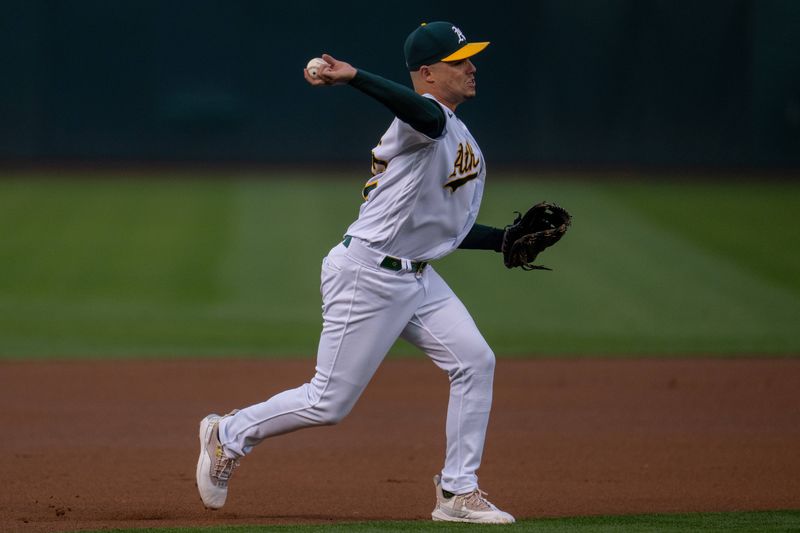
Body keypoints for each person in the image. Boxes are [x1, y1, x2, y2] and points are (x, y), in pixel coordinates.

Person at [197, 21, 516, 524]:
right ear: (428, 74)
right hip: (369, 274)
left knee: (475, 362)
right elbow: (416, 111)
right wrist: (354, 76)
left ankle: (457, 492)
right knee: (328, 403)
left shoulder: (454, 128)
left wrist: (501, 240)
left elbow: (436, 225)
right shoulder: (425, 119)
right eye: (460, 61)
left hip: (416, 275)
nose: (473, 67)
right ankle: (229, 433)